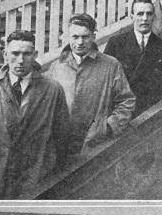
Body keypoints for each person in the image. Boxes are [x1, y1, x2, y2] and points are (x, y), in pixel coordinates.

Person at [0, 29, 71, 200]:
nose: (20, 60)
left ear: (35, 54)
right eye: (15, 53)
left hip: (34, 174)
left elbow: (61, 133)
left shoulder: (53, 89)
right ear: (5, 54)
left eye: (27, 54)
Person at [46, 13, 136, 156]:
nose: (80, 42)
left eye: (85, 37)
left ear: (93, 37)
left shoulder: (111, 65)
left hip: (95, 146)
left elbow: (126, 101)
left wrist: (108, 127)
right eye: (75, 37)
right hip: (61, 146)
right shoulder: (56, 68)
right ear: (68, 37)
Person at [104, 0, 162, 115]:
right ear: (132, 17)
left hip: (148, 112)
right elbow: (106, 81)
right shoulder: (116, 43)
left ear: (154, 17)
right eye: (140, 14)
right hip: (120, 111)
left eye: (149, 14)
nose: (144, 18)